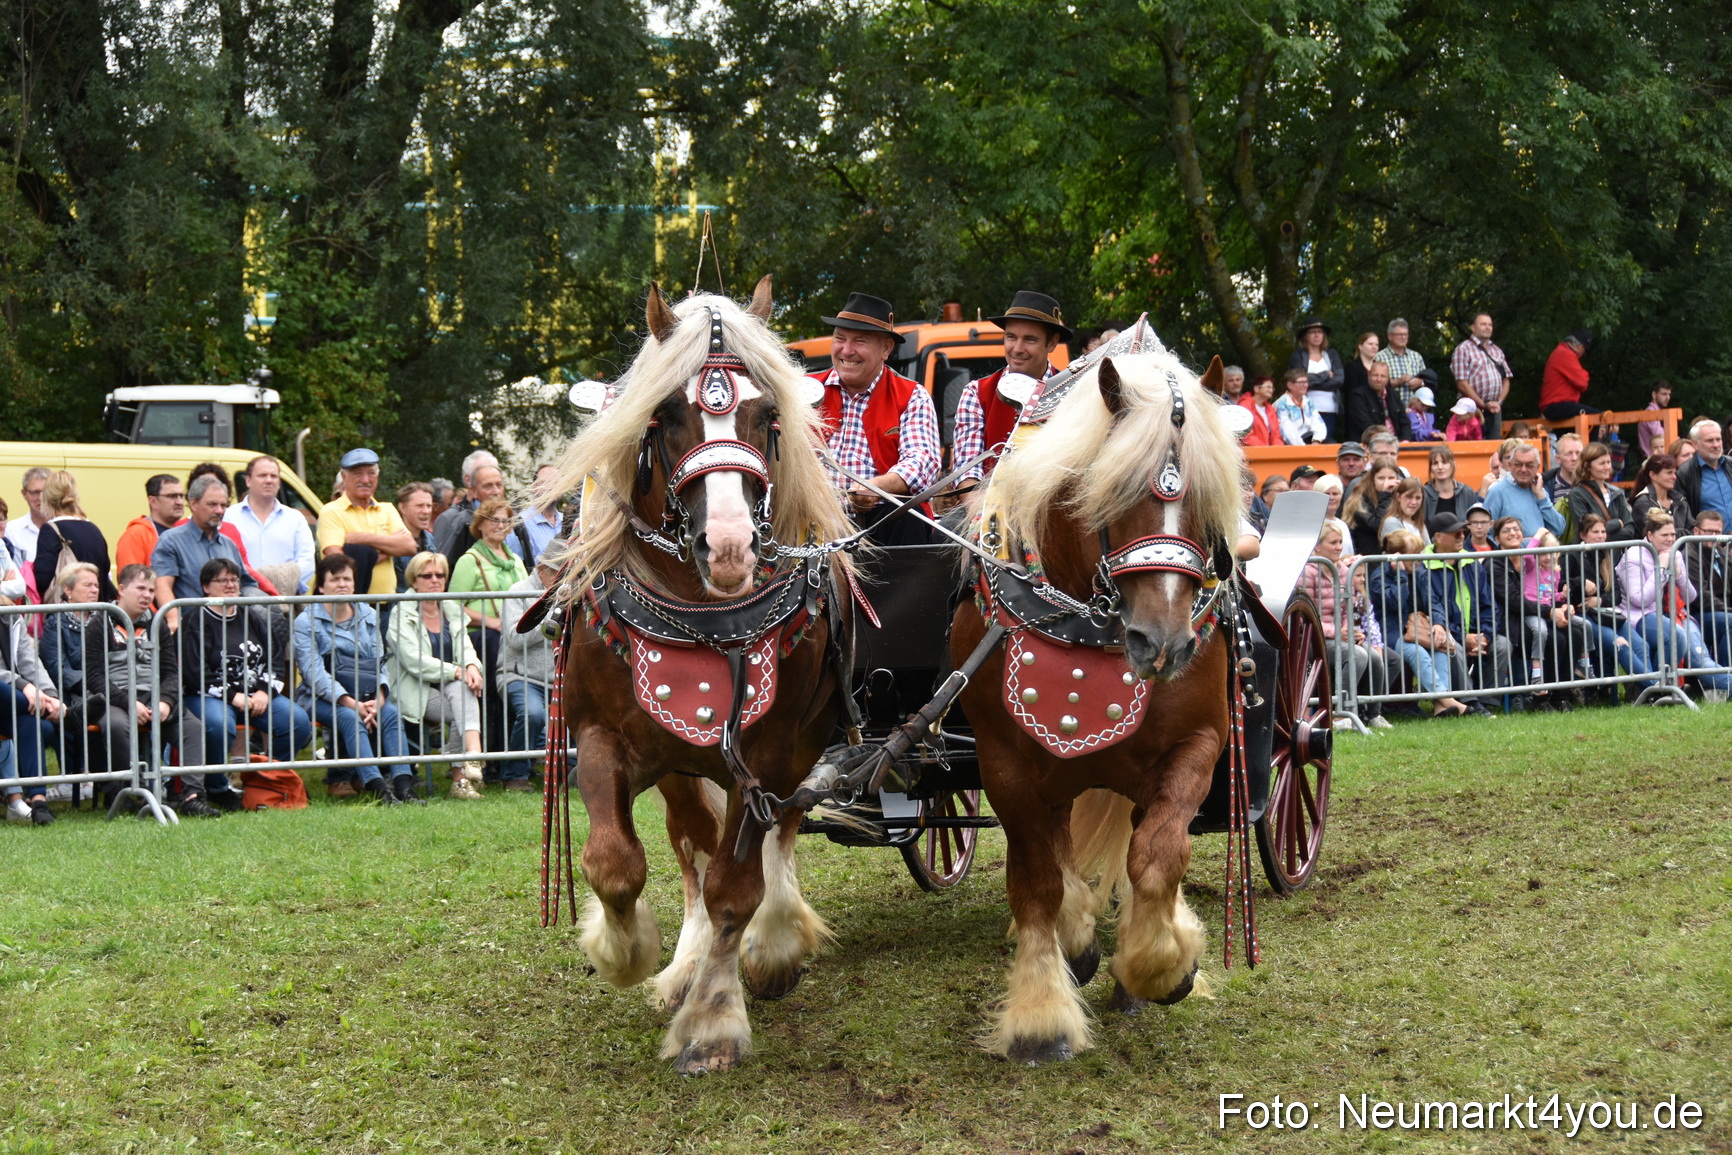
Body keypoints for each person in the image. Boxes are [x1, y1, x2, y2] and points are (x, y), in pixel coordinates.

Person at [171, 557, 312, 811]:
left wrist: (265, 692)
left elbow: (275, 659)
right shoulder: (194, 619)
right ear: (205, 587)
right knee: (218, 724)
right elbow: (193, 673)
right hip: (208, 694)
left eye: (234, 579)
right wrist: (232, 696)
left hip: (256, 694)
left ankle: (269, 781)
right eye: (222, 580)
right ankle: (217, 787)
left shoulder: (251, 615)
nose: (230, 585)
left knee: (296, 721)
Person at [809, 292, 941, 543]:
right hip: (810, 517)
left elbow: (923, 461)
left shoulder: (912, 396)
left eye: (860, 341)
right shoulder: (804, 389)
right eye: (840, 338)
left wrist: (876, 487)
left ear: (886, 349)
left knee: (906, 516)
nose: (847, 350)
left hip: (879, 522)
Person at [292, 553, 417, 805]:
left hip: (368, 693)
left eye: (347, 579)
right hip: (319, 696)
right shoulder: (306, 621)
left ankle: (405, 786)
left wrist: (379, 698)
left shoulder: (367, 614)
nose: (342, 585)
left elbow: (380, 660)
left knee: (391, 713)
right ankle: (378, 787)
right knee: (350, 717)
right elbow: (314, 673)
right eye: (335, 579)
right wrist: (353, 703)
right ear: (321, 586)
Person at [386, 551, 486, 799]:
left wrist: (473, 667)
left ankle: (469, 764)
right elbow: (413, 661)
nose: (435, 580)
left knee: (464, 693)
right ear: (413, 580)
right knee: (462, 706)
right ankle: (463, 772)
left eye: (440, 575)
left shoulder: (451, 609)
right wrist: (457, 670)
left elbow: (465, 648)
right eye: (427, 575)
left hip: (450, 682)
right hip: (413, 686)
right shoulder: (401, 613)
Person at [81, 564, 179, 809]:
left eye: (151, 590)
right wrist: (128, 702)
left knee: (195, 726)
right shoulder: (99, 622)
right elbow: (94, 676)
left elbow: (171, 672)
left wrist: (165, 700)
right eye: (141, 588)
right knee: (116, 724)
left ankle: (193, 795)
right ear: (122, 589)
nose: (147, 595)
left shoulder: (157, 623)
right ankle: (128, 793)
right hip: (113, 698)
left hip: (153, 696)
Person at [953, 291, 1068, 483]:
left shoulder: (1074, 392)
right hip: (988, 507)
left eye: (1030, 339)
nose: (1017, 348)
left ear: (1052, 343)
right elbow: (967, 473)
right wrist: (985, 511)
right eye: (1011, 337)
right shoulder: (976, 393)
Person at [449, 497, 528, 778]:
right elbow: (453, 604)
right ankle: (491, 762)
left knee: (516, 697)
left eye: (506, 520)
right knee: (493, 698)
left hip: (515, 641)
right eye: (494, 519)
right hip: (484, 640)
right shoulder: (469, 560)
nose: (501, 525)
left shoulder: (516, 561)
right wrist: (492, 621)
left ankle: (518, 761)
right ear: (480, 524)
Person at [1616, 510, 1731, 700]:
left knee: (1700, 657)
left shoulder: (1675, 553)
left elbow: (1690, 596)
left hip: (1678, 613)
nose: (1670, 539)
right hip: (1638, 615)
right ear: (1650, 535)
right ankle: (1661, 689)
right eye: (1665, 535)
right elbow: (1639, 600)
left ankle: (1665, 690)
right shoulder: (1634, 555)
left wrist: (1678, 575)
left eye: (1673, 535)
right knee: (1676, 637)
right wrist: (1660, 568)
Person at [1302, 518, 1398, 728]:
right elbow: (1305, 615)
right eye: (1333, 543)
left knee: (1374, 655)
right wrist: (1337, 632)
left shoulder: (1344, 571)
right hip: (1312, 638)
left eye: (1340, 542)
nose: (1339, 547)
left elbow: (1347, 609)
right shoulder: (1307, 571)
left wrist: (1350, 630)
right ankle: (1339, 715)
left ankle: (1373, 714)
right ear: (1317, 546)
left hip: (1338, 635)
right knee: (1358, 655)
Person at [1367, 528, 1470, 717]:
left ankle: (1441, 708)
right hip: (1392, 633)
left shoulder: (1420, 571)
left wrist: (1438, 623)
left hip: (1418, 630)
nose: (1420, 559)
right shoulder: (1379, 576)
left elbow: (1434, 601)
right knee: (1417, 653)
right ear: (1396, 556)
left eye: (1420, 553)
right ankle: (1449, 700)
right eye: (1413, 555)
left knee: (1440, 648)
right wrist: (1400, 575)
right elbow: (1396, 603)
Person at [1421, 513, 1507, 715]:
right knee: (1455, 647)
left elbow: (1490, 605)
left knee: (1502, 645)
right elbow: (1433, 607)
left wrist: (1484, 636)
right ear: (1438, 537)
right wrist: (1463, 638)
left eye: (1463, 532)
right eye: (1456, 532)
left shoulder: (1472, 562)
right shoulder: (1424, 567)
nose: (1462, 536)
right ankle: (1471, 701)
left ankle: (1489, 701)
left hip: (1476, 633)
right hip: (1448, 633)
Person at [152, 476, 263, 624]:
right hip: (193, 630)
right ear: (193, 503)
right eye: (212, 504)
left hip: (230, 629)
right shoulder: (171, 541)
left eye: (223, 505)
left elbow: (248, 586)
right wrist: (174, 619)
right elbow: (162, 585)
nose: (219, 511)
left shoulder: (228, 544)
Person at [1563, 515, 1652, 693]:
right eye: (1595, 532)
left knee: (1641, 645)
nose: (1600, 536)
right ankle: (1654, 687)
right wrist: (1581, 582)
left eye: (1603, 531)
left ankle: (1646, 692)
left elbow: (1617, 594)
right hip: (1584, 616)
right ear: (1582, 534)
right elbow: (1561, 585)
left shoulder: (1608, 554)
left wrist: (1600, 599)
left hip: (1607, 612)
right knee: (1619, 644)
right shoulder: (1571, 555)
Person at [497, 549, 560, 791]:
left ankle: (570, 770)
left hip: (558, 678)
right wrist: (548, 619)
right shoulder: (518, 592)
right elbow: (515, 638)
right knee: (533, 714)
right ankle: (515, 775)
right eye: (558, 572)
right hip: (518, 675)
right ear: (542, 570)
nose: (564, 578)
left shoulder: (568, 593)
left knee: (584, 710)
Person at [317, 448, 417, 597]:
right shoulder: (331, 511)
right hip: (347, 607)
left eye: (371, 473)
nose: (365, 480)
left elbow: (409, 547)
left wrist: (361, 539)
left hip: (385, 607)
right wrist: (388, 549)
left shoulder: (387, 509)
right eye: (358, 474)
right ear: (344, 477)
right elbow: (338, 563)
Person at [225, 456, 316, 596]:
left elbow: (307, 563)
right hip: (241, 601)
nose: (269, 480)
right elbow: (223, 559)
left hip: (284, 601)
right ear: (248, 481)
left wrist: (281, 585)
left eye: (273, 476)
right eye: (262, 475)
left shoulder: (295, 519)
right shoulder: (229, 517)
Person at [1519, 531, 1592, 704]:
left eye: (1552, 552)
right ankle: (1537, 674)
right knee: (1541, 631)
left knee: (1584, 625)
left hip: (1550, 610)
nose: (1547, 557)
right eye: (1543, 552)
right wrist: (1538, 535)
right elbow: (1527, 554)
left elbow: (1551, 596)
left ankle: (1584, 664)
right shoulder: (1531, 566)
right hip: (1533, 612)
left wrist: (1562, 596)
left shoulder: (1555, 572)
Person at [32, 471, 117, 604]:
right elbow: (104, 573)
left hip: (66, 613)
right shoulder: (94, 529)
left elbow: (43, 579)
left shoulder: (51, 530)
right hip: (97, 613)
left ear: (47, 498)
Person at [1450, 312, 1512, 440]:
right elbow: (1462, 384)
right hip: (1471, 410)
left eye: (1490, 324)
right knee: (1475, 450)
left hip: (1495, 409)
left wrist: (1498, 402)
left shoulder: (1496, 350)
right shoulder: (1463, 349)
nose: (1488, 327)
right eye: (1483, 324)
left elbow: (1506, 379)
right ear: (1473, 327)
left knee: (1495, 449)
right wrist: (1483, 404)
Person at [1483, 442, 1565, 538]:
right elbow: (1487, 534)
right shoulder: (1497, 492)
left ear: (1537, 467)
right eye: (1518, 464)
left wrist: (1541, 497)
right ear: (1510, 465)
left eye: (1529, 465)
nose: (1523, 469)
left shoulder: (1539, 492)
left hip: (1540, 553)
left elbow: (1559, 528)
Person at [1683, 510, 1732, 666]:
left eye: (1717, 532)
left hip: (1721, 611)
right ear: (1696, 531)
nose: (1713, 535)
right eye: (1709, 531)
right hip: (1697, 614)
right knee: (1730, 622)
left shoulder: (1720, 553)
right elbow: (1701, 597)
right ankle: (1724, 680)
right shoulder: (1689, 554)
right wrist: (1729, 610)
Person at [432, 450, 502, 559]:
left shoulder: (514, 520)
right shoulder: (451, 519)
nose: (496, 491)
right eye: (488, 485)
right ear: (469, 480)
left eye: (499, 484)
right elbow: (440, 566)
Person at [114, 474, 187, 574]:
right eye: (172, 496)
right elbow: (130, 583)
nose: (179, 502)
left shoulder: (185, 533)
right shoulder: (136, 535)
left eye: (181, 496)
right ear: (153, 502)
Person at [1564, 441, 1635, 544]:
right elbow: (1586, 531)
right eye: (1602, 463)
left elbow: (1630, 531)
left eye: (1608, 462)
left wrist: (1602, 534)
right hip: (1592, 557)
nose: (1607, 467)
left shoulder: (1616, 492)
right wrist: (1617, 524)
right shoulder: (1577, 494)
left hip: (1617, 557)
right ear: (1587, 466)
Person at [1287, 318, 1344, 440]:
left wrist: (1310, 381)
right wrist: (1326, 375)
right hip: (1304, 409)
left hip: (1329, 408)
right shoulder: (1298, 355)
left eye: (1320, 331)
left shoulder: (1331, 354)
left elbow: (1339, 379)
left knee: (1326, 442)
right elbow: (1297, 379)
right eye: (1312, 332)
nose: (1317, 335)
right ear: (1305, 336)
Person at [507, 463, 564, 566]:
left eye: (557, 482)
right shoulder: (521, 523)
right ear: (533, 488)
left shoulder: (568, 521)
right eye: (546, 482)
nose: (552, 487)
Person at [1344, 358, 1412, 443]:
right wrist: (1386, 439)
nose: (1379, 379)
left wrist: (1405, 440)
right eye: (1375, 375)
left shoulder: (1394, 395)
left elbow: (1404, 421)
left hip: (1396, 443)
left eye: (1383, 376)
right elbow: (1366, 425)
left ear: (1388, 379)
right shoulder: (1357, 395)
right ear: (1369, 375)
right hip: (1369, 444)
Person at [1342, 461, 1403, 556]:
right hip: (1369, 561)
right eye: (1381, 478)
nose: (1386, 483)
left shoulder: (1400, 498)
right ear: (1373, 479)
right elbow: (1378, 526)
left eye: (1391, 478)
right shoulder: (1359, 500)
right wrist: (1386, 495)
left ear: (1397, 479)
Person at [1677, 418, 1732, 522]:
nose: (1716, 445)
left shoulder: (1730, 464)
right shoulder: (1685, 473)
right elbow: (1683, 515)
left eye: (1718, 439)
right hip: (1708, 537)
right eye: (1709, 441)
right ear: (1695, 444)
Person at [1539, 330, 1598, 422]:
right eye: (1585, 352)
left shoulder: (1559, 352)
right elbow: (1583, 382)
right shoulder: (1565, 354)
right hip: (1557, 405)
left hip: (1553, 406)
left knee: (1568, 433)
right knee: (1596, 417)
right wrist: (1584, 374)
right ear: (1581, 347)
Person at [1632, 452, 1694, 536]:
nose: (1674, 477)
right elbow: (1657, 534)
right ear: (1653, 475)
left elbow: (1693, 531)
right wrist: (1683, 534)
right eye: (1669, 473)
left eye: (1674, 473)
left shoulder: (1680, 501)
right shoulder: (1642, 503)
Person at [1374, 318, 1427, 412]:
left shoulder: (1416, 356)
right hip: (1389, 411)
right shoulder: (1379, 357)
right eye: (1399, 334)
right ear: (1390, 336)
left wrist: (1420, 382)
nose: (1403, 337)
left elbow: (1427, 382)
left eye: (1405, 334)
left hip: (1415, 412)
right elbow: (1375, 385)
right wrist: (1398, 381)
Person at [1421, 445, 1482, 526]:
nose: (1440, 467)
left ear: (1453, 465)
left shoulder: (1467, 493)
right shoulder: (1423, 494)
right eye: (1435, 463)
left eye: (1444, 462)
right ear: (1431, 468)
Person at [395, 481, 438, 590]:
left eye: (429, 506)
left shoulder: (430, 539)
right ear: (403, 508)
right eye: (420, 506)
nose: (426, 511)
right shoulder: (392, 539)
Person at [4, 467, 51, 565]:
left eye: (46, 492)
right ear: (24, 494)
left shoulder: (67, 528)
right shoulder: (11, 531)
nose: (41, 498)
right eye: (35, 492)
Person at [1274, 368, 1327, 445]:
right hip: (1290, 444)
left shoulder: (1308, 402)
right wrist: (1303, 448)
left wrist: (1316, 441)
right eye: (1301, 382)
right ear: (1290, 385)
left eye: (1306, 382)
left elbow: (1318, 423)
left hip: (1309, 439)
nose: (1305, 385)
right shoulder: (1281, 404)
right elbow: (1286, 430)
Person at [1380, 477, 1428, 547]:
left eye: (1418, 498)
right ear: (1398, 497)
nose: (1414, 502)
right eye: (1409, 497)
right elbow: (1403, 551)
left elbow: (1428, 552)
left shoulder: (1420, 525)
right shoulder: (1391, 522)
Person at [1238, 376, 1281, 447]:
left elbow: (1276, 434)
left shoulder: (1270, 409)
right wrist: (1264, 449)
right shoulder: (1245, 405)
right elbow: (1246, 434)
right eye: (1268, 387)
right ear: (1256, 388)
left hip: (1269, 453)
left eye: (1272, 388)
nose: (1271, 390)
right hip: (1252, 453)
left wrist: (1276, 449)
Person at [1637, 380, 1673, 458]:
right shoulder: (1650, 412)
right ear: (1654, 395)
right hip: (1651, 458)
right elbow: (1661, 435)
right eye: (1664, 394)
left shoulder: (1657, 412)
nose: (1668, 398)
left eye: (1669, 394)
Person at [1543, 433, 1583, 502]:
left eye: (1578, 453)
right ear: (1558, 459)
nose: (1574, 458)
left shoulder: (1591, 482)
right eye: (1569, 454)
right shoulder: (1546, 485)